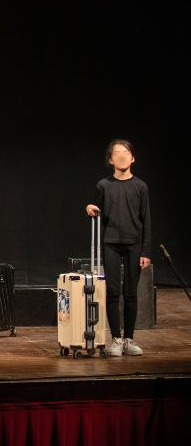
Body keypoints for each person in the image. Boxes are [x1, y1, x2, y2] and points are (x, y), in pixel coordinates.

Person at [85, 139, 151, 357]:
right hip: (111, 242)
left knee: (130, 293)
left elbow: (146, 220)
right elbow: (97, 210)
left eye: (126, 152)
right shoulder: (103, 185)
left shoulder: (140, 186)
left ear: (133, 158)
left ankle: (129, 339)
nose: (122, 156)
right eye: (117, 153)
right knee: (113, 292)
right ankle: (116, 339)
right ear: (110, 159)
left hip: (134, 243)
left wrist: (145, 252)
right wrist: (90, 208)